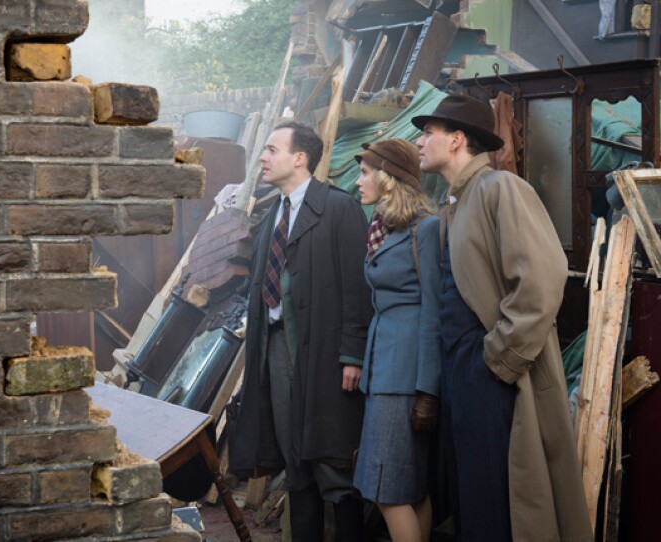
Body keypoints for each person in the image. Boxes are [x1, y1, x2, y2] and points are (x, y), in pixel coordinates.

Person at [411, 94, 592, 541]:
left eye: (427, 133)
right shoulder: (455, 203)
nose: (419, 142)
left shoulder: (499, 188)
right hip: (463, 372)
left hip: (490, 370)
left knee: (498, 503)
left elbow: (542, 278)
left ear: (455, 140)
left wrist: (498, 359)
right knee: (473, 499)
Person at [228, 121, 371, 541]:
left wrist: (352, 354)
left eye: (272, 149)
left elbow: (356, 288)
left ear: (300, 158)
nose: (263, 157)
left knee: (333, 460)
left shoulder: (339, 208)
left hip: (327, 356)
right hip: (276, 349)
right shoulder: (274, 212)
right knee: (296, 462)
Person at [352, 138, 442, 542]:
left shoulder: (425, 229)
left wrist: (427, 390)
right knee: (408, 488)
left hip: (403, 377)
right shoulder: (383, 229)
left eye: (366, 172)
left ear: (388, 178)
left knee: (387, 492)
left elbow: (433, 312)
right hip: (383, 369)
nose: (358, 181)